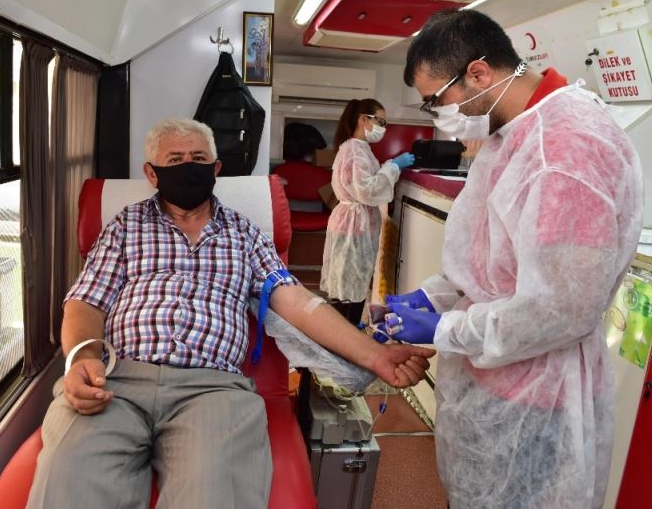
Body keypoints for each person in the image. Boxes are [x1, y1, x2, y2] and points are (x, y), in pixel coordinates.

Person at [28, 118, 432, 509]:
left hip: (212, 390)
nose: (188, 167)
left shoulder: (246, 234)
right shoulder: (124, 226)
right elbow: (87, 300)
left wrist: (375, 355)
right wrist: (82, 358)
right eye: (174, 160)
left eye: (199, 159)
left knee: (212, 494)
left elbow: (297, 302)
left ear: (216, 169)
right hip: (116, 380)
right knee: (71, 481)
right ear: (151, 174)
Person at [388, 9, 643, 508]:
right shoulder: (511, 135)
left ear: (479, 73)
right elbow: (487, 257)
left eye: (437, 101)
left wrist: (444, 329)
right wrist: (435, 296)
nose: (438, 116)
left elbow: (558, 311)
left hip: (538, 396)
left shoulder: (565, 148)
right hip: (494, 381)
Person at [320, 99, 414, 325]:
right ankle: (344, 332)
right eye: (381, 121)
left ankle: (346, 329)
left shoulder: (359, 149)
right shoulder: (354, 150)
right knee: (347, 284)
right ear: (364, 119)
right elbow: (366, 189)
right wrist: (394, 166)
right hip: (352, 225)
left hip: (355, 222)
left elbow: (366, 183)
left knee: (351, 281)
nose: (383, 127)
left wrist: (390, 167)